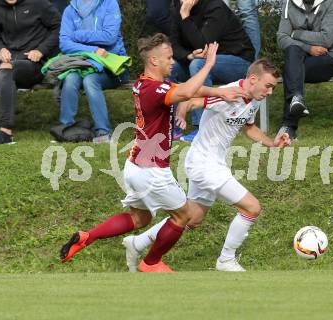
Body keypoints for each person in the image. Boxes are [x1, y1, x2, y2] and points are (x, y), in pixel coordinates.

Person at [59, 33, 246, 272]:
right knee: (185, 216)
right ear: (154, 61)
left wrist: (219, 93)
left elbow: (181, 89)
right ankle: (151, 262)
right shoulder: (154, 90)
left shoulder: (143, 84)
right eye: (168, 58)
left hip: (135, 166)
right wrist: (209, 64)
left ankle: (88, 236)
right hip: (152, 170)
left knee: (140, 219)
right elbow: (187, 92)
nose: (172, 62)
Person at [122, 58, 291, 272]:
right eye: (268, 86)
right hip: (204, 164)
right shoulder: (228, 94)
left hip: (213, 163)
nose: (270, 92)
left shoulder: (254, 98)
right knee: (252, 208)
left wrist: (273, 144)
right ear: (253, 79)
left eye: (273, 88)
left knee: (192, 219)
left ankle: (138, 243)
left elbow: (249, 127)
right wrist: (182, 116)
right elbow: (190, 99)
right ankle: (226, 260)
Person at [170, 0, 256, 142]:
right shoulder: (179, 7)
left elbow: (204, 46)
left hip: (238, 60)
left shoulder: (215, 6)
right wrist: (188, 55)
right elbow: (173, 43)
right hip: (199, 60)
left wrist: (185, 16)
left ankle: (202, 128)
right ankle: (171, 125)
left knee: (198, 65)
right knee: (171, 68)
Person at [0, 0, 60, 145]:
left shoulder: (39, 3)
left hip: (33, 63)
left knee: (6, 69)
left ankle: (5, 132)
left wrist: (41, 50)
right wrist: (0, 49)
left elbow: (58, 27)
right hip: (5, 60)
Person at [58, 0, 130, 144]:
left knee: (90, 80)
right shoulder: (69, 10)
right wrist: (93, 50)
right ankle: (66, 129)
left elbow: (109, 37)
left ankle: (103, 131)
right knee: (70, 78)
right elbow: (64, 43)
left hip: (112, 67)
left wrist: (77, 35)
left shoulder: (110, 4)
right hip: (83, 63)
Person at [276, 0, 333, 140]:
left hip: (329, 55)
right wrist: (308, 48)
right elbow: (281, 38)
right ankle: (296, 99)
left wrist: (296, 33)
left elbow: (326, 39)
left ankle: (289, 125)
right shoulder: (288, 3)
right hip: (300, 57)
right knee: (292, 54)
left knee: (291, 71)